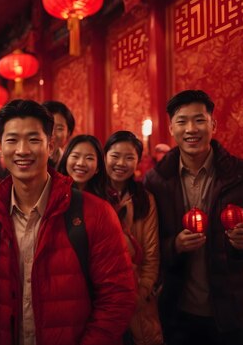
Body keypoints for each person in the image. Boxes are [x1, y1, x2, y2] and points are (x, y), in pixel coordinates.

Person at [0, 99, 136, 345]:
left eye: (34, 140)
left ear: (51, 145)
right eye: (12, 140)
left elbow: (118, 297)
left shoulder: (96, 212)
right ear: (1, 147)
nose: (23, 150)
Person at [144, 90, 243, 345]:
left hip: (233, 312)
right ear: (171, 127)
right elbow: (146, 247)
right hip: (176, 312)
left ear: (213, 124)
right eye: (182, 121)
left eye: (199, 120)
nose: (191, 129)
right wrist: (174, 245)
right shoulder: (155, 181)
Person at [102, 131, 163, 345]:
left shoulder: (145, 199)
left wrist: (142, 291)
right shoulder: (92, 195)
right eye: (115, 156)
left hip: (135, 295)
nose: (121, 163)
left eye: (129, 157)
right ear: (104, 157)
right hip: (99, 298)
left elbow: (152, 253)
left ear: (138, 161)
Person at [42, 100, 75, 169]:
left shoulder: (72, 166)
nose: (52, 134)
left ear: (68, 133)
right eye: (47, 127)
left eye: (59, 128)